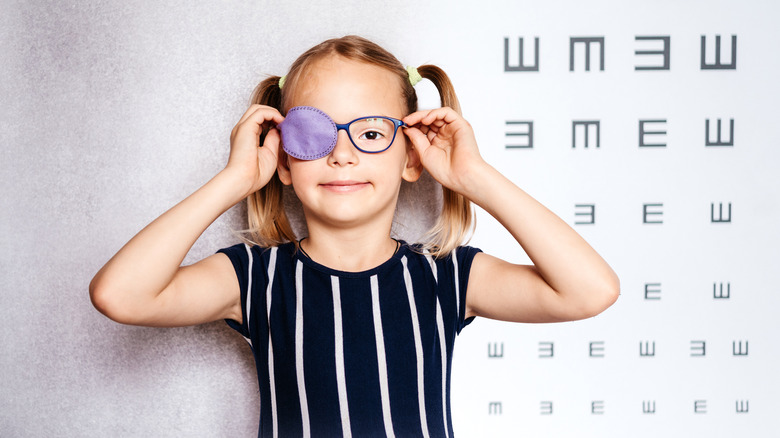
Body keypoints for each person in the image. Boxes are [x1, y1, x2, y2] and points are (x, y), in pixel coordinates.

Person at [90, 35, 619, 437]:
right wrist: (234, 180)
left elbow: (589, 290)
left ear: (411, 155)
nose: (342, 153)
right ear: (284, 160)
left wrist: (472, 176)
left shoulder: (448, 276)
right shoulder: (255, 277)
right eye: (313, 134)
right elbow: (121, 295)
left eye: (370, 134)